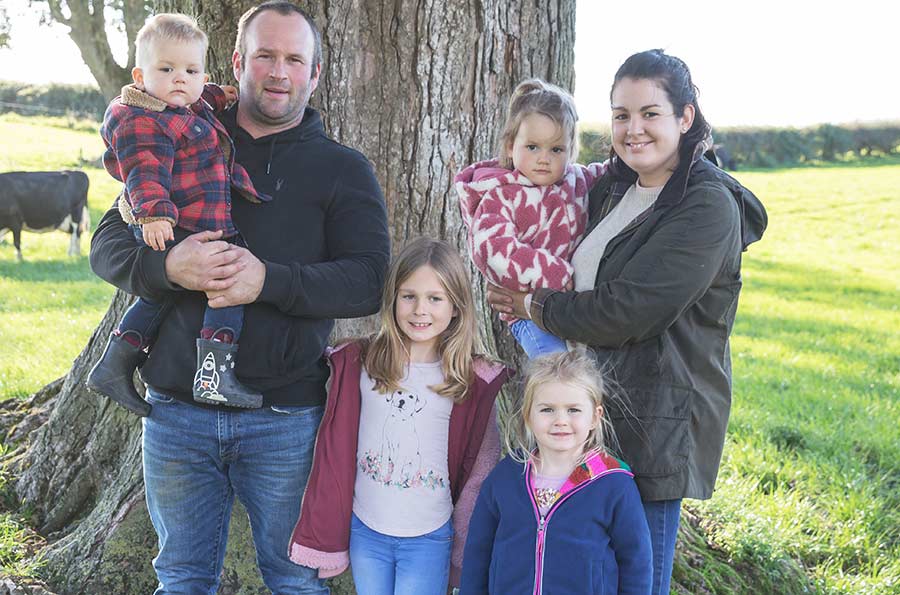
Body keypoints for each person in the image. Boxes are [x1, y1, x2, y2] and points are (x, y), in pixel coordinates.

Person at [88, 2, 390, 593]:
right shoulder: (182, 131)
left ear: (315, 72)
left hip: (285, 419)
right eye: (266, 55)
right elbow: (106, 246)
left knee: (296, 581)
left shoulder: (341, 169)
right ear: (237, 62)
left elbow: (367, 281)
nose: (279, 71)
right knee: (180, 578)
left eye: (295, 59)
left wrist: (268, 280)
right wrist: (169, 265)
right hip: (174, 413)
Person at [487, 49, 768, 595]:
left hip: (654, 427)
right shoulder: (613, 188)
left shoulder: (707, 205)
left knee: (637, 580)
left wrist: (532, 305)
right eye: (620, 115)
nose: (633, 129)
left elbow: (626, 311)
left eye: (649, 113)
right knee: (582, 575)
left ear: (685, 118)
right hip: (589, 415)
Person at [288, 238, 513, 595]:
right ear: (392, 299)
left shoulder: (468, 380)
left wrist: (467, 539)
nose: (419, 310)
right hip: (367, 530)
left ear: (456, 307)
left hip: (429, 536)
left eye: (435, 298)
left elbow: (480, 467)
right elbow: (336, 442)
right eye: (408, 296)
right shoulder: (361, 362)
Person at [88, 13, 269, 414]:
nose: (180, 79)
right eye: (166, 69)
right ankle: (213, 376)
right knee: (227, 284)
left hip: (196, 219)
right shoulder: (141, 118)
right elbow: (143, 169)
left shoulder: (187, 101)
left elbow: (207, 98)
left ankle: (115, 365)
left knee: (158, 298)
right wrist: (154, 215)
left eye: (191, 70)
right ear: (140, 74)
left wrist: (225, 94)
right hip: (176, 221)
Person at [460, 350, 651, 594]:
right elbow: (478, 552)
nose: (560, 420)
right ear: (528, 414)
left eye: (573, 410)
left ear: (595, 416)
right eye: (547, 409)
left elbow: (637, 563)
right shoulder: (506, 476)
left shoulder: (613, 483)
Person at [455, 79, 606, 358]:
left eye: (556, 149)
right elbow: (495, 252)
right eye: (533, 147)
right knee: (555, 367)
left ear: (571, 151)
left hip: (569, 310)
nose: (544, 159)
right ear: (512, 146)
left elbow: (614, 171)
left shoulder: (578, 180)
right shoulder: (501, 195)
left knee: (585, 375)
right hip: (527, 313)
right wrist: (560, 277)